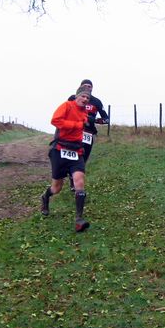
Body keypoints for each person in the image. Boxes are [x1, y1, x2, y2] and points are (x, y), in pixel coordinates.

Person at [40, 85, 92, 232]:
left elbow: (83, 126)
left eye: (87, 98)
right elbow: (55, 120)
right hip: (59, 150)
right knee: (56, 188)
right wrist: (76, 125)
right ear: (77, 96)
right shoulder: (67, 106)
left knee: (79, 181)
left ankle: (79, 220)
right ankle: (45, 197)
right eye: (83, 96)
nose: (85, 99)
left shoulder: (84, 113)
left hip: (76, 151)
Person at [67, 79, 109, 190]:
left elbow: (106, 119)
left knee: (83, 158)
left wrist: (94, 120)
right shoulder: (72, 98)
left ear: (92, 88)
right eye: (84, 85)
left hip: (88, 133)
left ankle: (74, 178)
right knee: (73, 154)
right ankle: (71, 177)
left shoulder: (96, 101)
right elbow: (66, 112)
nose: (87, 87)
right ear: (80, 87)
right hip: (74, 130)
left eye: (89, 86)